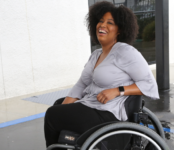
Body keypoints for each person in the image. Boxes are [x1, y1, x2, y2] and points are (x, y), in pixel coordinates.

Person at [44, 1, 159, 148]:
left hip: (107, 112)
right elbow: (81, 84)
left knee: (52, 115)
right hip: (92, 104)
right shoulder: (96, 54)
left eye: (110, 23)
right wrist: (64, 106)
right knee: (58, 106)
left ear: (119, 30)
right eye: (100, 21)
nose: (102, 25)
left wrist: (118, 91)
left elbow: (149, 84)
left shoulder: (125, 51)